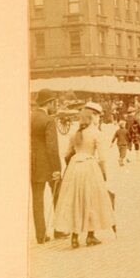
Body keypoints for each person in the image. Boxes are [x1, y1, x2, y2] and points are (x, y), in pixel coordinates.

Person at [53, 103, 116, 249]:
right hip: (90, 166)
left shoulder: (74, 134)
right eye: (98, 116)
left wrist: (74, 163)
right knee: (91, 199)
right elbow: (102, 157)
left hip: (74, 167)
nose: (98, 119)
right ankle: (90, 236)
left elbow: (67, 154)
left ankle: (74, 238)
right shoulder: (96, 133)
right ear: (93, 117)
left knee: (75, 199)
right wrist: (104, 173)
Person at [31, 89, 63, 244]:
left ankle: (41, 235)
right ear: (49, 103)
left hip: (33, 165)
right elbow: (52, 147)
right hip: (49, 166)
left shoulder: (29, 117)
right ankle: (60, 229)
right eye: (53, 103)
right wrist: (57, 169)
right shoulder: (49, 120)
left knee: (37, 200)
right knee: (58, 194)